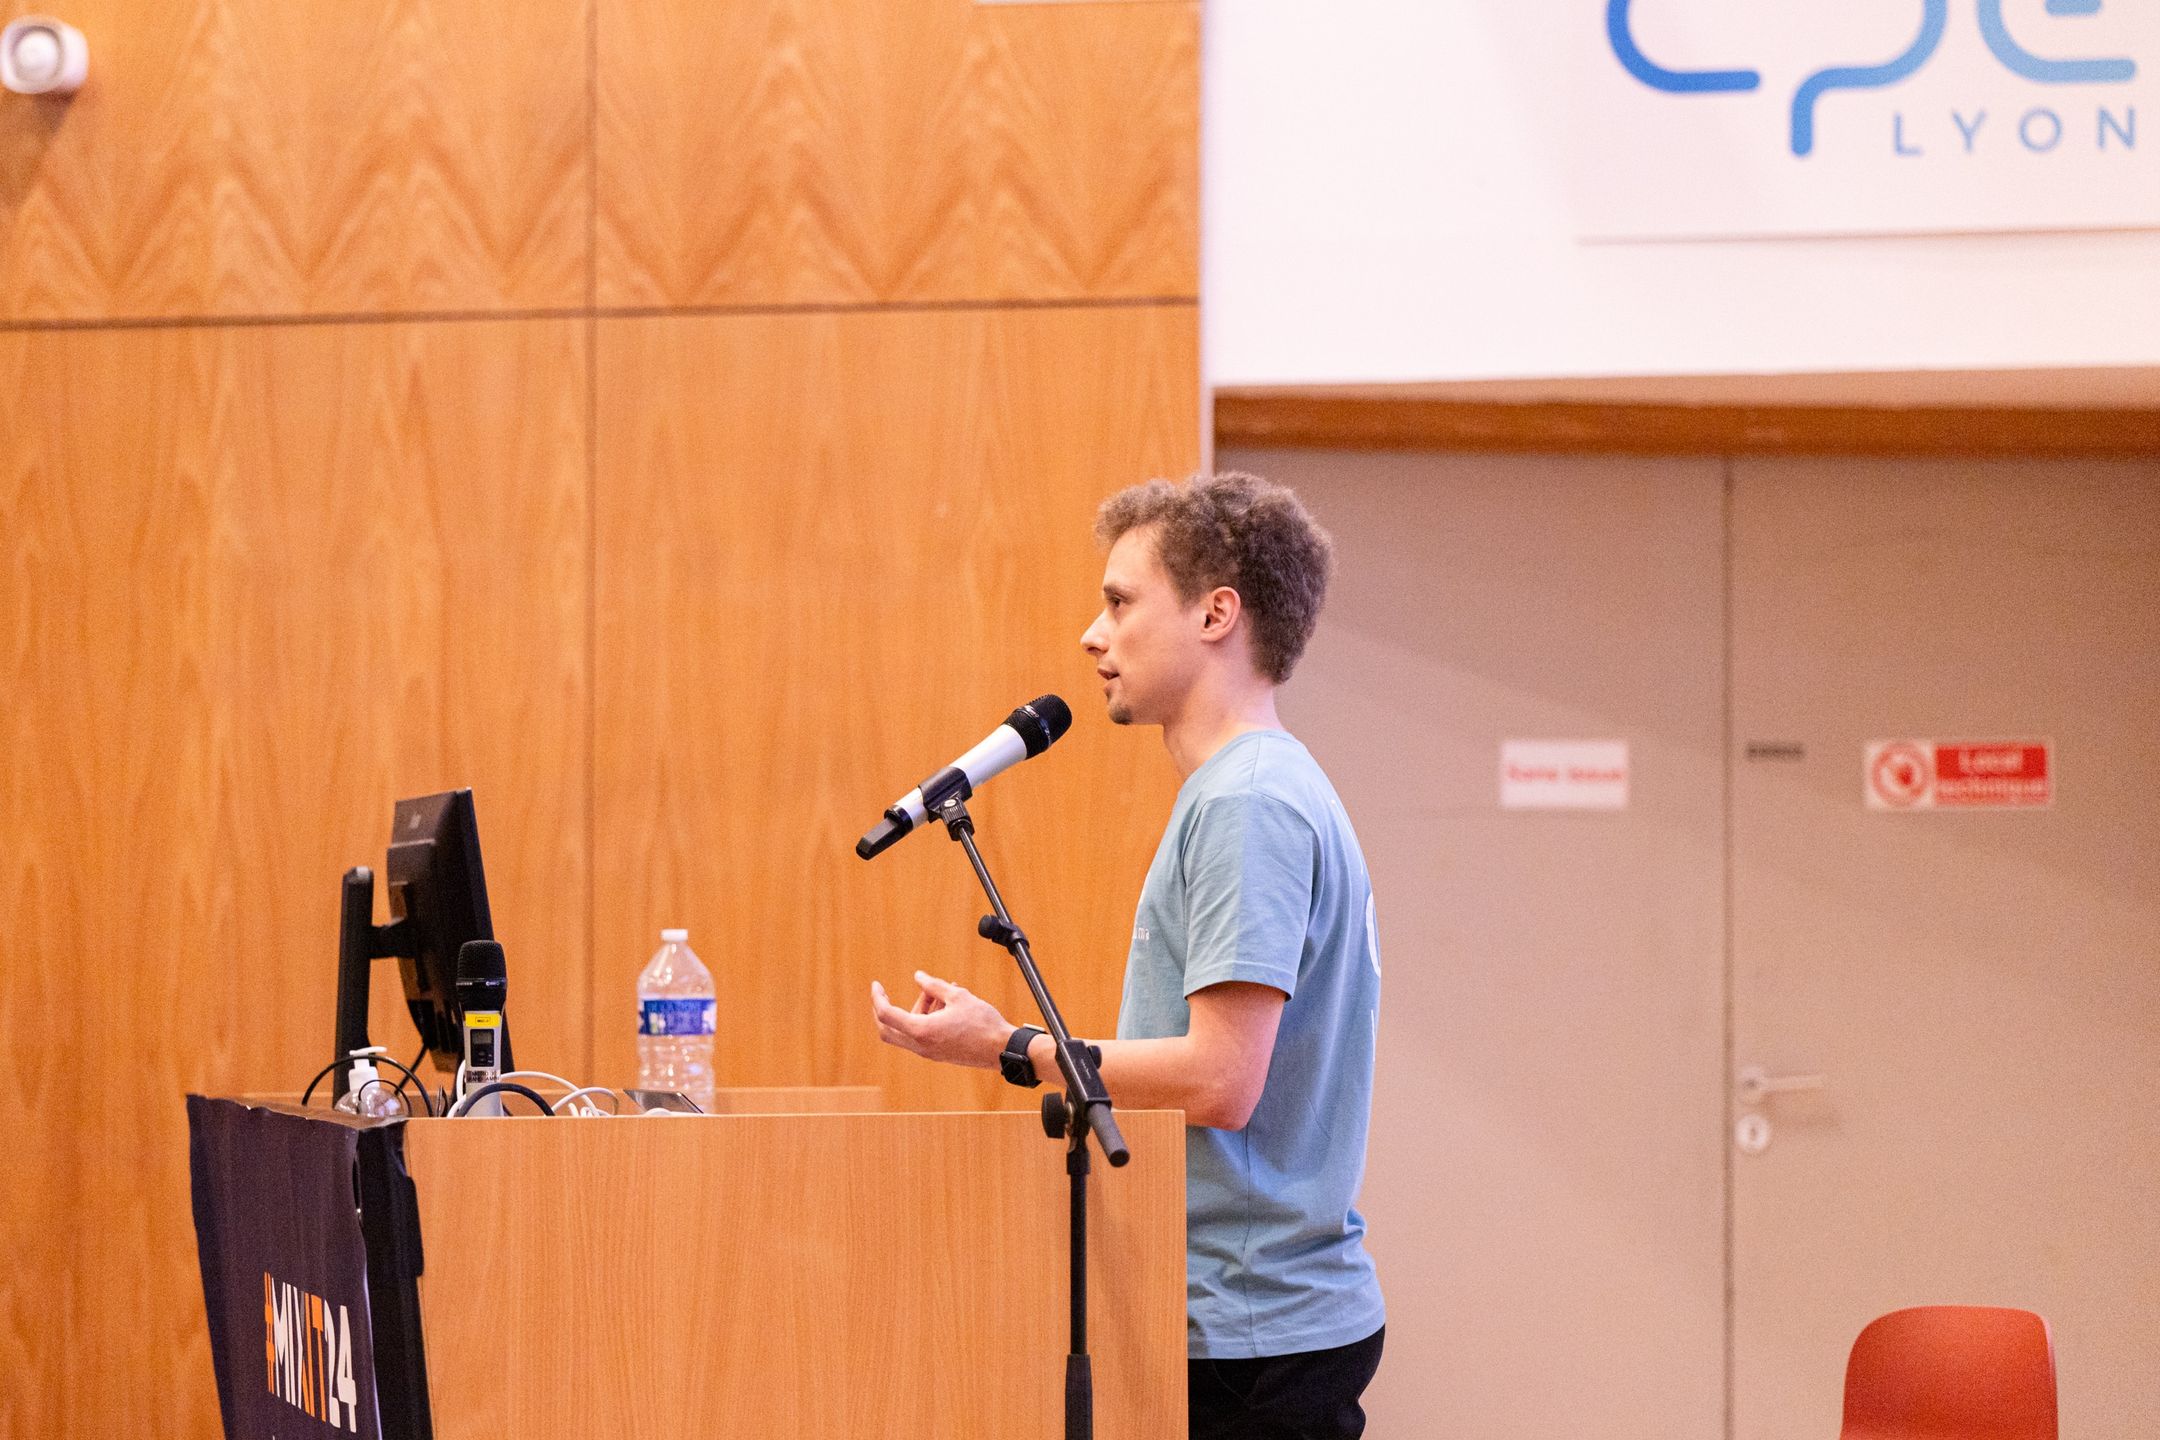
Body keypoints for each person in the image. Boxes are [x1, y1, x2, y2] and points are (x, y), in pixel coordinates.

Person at [870, 471, 1384, 1439]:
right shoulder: (1252, 789)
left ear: (1215, 614)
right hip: (1245, 1318)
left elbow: (1221, 1080)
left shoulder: (1248, 803)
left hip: (1249, 1335)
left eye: (1118, 602)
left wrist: (1008, 1048)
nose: (1091, 635)